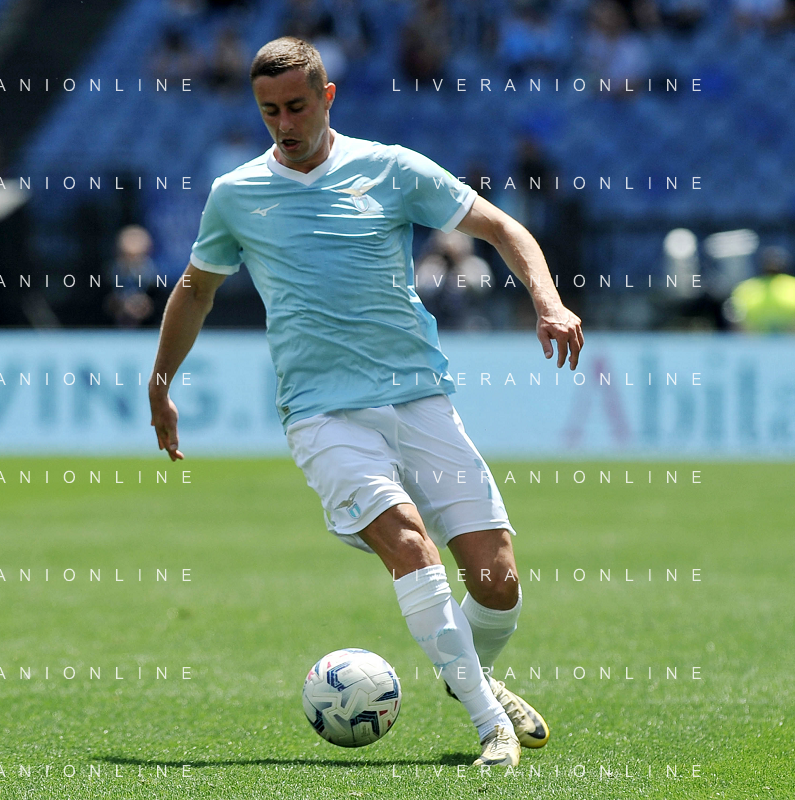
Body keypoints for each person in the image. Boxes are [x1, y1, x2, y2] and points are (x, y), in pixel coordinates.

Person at [147, 37, 583, 767]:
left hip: (418, 397)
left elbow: (501, 226)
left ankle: (465, 674)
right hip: (322, 412)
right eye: (268, 111)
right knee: (409, 545)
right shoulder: (237, 194)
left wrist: (547, 301)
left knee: (497, 580)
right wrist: (160, 383)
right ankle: (489, 725)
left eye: (295, 106)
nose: (283, 123)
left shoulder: (391, 168)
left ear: (327, 97)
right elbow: (195, 290)